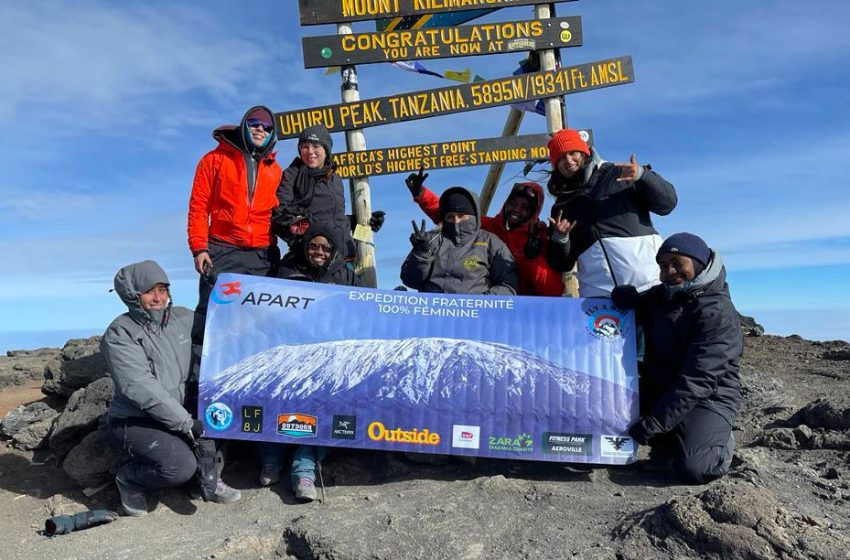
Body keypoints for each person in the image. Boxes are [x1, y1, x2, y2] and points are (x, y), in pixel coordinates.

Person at [102, 261, 240, 517]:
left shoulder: (183, 318)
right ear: (133, 295)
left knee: (221, 417)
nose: (158, 298)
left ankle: (206, 479)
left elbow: (222, 327)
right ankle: (129, 479)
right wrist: (186, 423)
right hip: (136, 420)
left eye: (163, 290)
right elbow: (140, 386)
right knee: (179, 466)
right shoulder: (121, 334)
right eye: (149, 291)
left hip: (177, 409)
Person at [611, 233, 743, 484]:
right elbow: (639, 306)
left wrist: (655, 423)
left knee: (695, 468)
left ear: (698, 263)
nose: (669, 271)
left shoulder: (717, 312)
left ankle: (718, 439)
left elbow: (698, 380)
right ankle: (670, 442)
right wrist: (626, 299)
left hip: (710, 396)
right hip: (665, 387)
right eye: (663, 265)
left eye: (677, 262)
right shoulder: (663, 296)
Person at [256, 225, 359, 501]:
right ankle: (271, 458)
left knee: (322, 407)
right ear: (305, 246)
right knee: (277, 399)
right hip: (289, 348)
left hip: (327, 353)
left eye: (326, 248)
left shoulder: (344, 274)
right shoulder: (287, 269)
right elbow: (270, 310)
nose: (320, 252)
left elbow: (360, 310)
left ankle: (304, 470)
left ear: (334, 251)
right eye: (314, 246)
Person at [546, 129, 678, 297]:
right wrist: (560, 239)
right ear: (555, 165)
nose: (568, 160)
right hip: (600, 298)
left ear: (584, 152)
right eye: (561, 158)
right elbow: (562, 264)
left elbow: (667, 204)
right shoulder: (561, 207)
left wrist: (643, 176)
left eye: (573, 153)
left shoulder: (620, 173)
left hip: (650, 284)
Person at [405, 168, 563, 296]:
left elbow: (553, 291)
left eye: (525, 207)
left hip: (522, 305)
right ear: (506, 203)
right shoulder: (489, 226)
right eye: (513, 203)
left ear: (533, 212)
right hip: (487, 304)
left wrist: (534, 259)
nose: (516, 210)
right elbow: (451, 215)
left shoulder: (537, 236)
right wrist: (421, 194)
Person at [272, 124, 384, 260]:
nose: (310, 151)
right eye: (305, 147)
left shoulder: (335, 179)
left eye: (316, 146)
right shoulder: (292, 175)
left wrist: (364, 222)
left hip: (344, 258)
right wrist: (303, 241)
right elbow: (279, 217)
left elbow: (336, 220)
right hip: (313, 259)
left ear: (326, 150)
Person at [401, 186, 518, 295]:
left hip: (475, 314)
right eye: (450, 216)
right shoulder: (431, 240)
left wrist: (481, 303)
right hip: (433, 314)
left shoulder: (491, 242)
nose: (456, 221)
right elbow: (410, 281)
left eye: (461, 215)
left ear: (473, 216)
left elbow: (508, 286)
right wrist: (421, 255)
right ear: (444, 218)